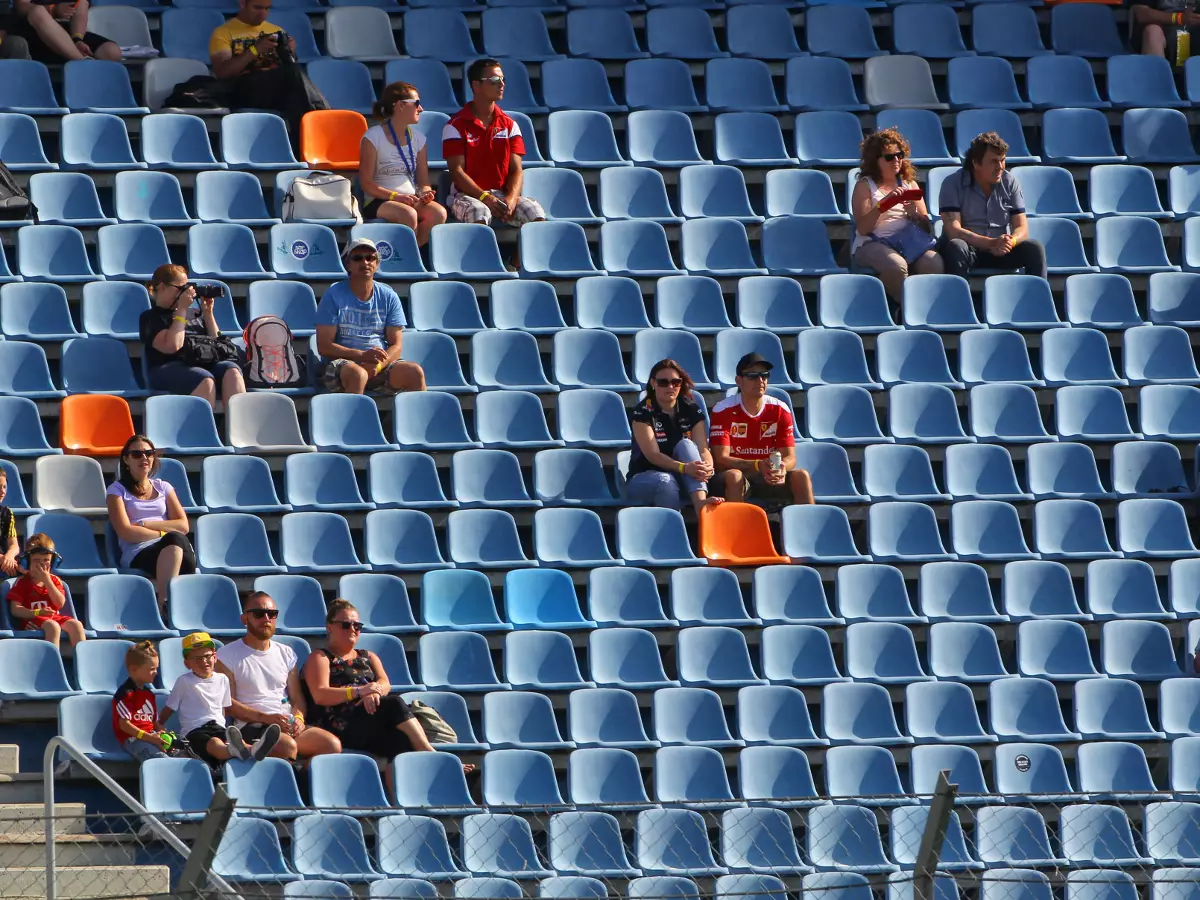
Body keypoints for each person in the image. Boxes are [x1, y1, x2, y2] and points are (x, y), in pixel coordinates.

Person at [303, 599, 474, 776]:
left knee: (402, 742)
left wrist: (373, 692)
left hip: (369, 720)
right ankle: (433, 756)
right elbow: (320, 694)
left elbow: (385, 683)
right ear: (330, 627)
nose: (353, 629)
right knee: (393, 704)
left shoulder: (368, 656)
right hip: (340, 726)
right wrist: (360, 691)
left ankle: (396, 801)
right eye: (346, 625)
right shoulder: (320, 657)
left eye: (357, 625)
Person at [215, 591, 342, 761]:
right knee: (287, 746)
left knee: (331, 745)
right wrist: (266, 718)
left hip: (285, 723)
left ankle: (303, 783)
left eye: (272, 614)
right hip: (252, 724)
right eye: (259, 614)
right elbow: (228, 704)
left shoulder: (286, 653)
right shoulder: (226, 655)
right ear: (244, 619)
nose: (266, 618)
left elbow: (297, 699)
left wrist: (298, 718)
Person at [443, 58, 545, 260]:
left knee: (536, 213)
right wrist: (486, 197)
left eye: (503, 79)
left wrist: (512, 199)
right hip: (466, 196)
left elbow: (517, 169)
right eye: (494, 79)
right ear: (476, 85)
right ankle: (480, 265)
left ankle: (515, 267)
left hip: (502, 195)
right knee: (479, 213)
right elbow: (457, 172)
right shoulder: (455, 125)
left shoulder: (510, 124)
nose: (502, 84)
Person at [315, 237, 427, 395]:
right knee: (358, 375)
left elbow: (397, 345)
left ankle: (409, 420)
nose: (365, 262)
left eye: (370, 258)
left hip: (379, 364)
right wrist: (361, 355)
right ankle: (354, 420)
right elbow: (324, 346)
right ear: (348, 264)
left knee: (414, 372)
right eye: (358, 258)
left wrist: (378, 366)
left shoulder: (389, 296)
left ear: (377, 264)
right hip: (344, 365)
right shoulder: (333, 294)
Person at [161, 631, 280, 769]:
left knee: (234, 739)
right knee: (214, 743)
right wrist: (159, 724)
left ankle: (253, 749)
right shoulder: (184, 681)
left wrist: (222, 724)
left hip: (217, 726)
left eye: (207, 656)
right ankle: (234, 750)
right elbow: (169, 708)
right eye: (196, 658)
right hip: (194, 731)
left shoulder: (222, 679)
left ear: (215, 657)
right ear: (187, 663)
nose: (204, 661)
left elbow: (222, 709)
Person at [208, 0, 324, 140]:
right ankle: (323, 115)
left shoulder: (276, 30)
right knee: (295, 84)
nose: (263, 14)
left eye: (267, 9)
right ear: (242, 4)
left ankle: (305, 143)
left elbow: (290, 67)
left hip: (277, 89)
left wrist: (290, 53)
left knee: (295, 95)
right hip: (243, 89)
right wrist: (254, 49)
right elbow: (223, 73)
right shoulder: (223, 33)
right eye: (257, 8)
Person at [938, 131, 1047, 281]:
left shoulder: (1010, 182)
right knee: (956, 247)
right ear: (976, 163)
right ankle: (959, 300)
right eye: (994, 161)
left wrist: (1010, 241)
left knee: (1034, 248)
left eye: (1002, 160)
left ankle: (1039, 300)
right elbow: (954, 231)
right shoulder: (952, 183)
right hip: (970, 250)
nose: (1000, 167)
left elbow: (1022, 228)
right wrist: (991, 243)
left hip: (1001, 250)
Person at [106, 435, 197, 612]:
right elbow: (126, 533)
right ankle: (165, 603)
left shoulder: (163, 487)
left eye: (148, 453)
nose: (144, 458)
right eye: (137, 454)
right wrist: (164, 533)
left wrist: (146, 524)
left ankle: (167, 604)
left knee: (177, 541)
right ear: (126, 459)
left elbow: (183, 525)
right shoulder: (116, 491)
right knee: (175, 539)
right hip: (138, 551)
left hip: (174, 547)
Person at [710, 353, 815, 507]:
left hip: (767, 477)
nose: (760, 381)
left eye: (764, 375)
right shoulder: (723, 410)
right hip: (737, 476)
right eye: (752, 376)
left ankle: (808, 528)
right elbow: (721, 460)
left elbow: (790, 457)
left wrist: (782, 468)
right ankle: (736, 530)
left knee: (801, 476)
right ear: (738, 381)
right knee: (734, 476)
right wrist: (758, 465)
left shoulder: (780, 409)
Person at [851, 128, 943, 302]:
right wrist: (885, 204)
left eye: (899, 155)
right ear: (875, 160)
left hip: (906, 240)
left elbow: (926, 227)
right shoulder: (864, 185)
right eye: (889, 157)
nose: (896, 160)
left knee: (934, 262)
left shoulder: (910, 184)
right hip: (872, 242)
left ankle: (924, 310)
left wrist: (914, 215)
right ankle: (906, 309)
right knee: (897, 266)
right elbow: (863, 228)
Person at [140, 264, 246, 412]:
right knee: (204, 379)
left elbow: (217, 342)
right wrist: (182, 310)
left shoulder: (195, 313)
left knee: (232, 371)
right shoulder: (150, 317)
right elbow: (172, 346)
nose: (186, 293)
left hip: (201, 362)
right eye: (181, 288)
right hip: (167, 367)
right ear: (162, 287)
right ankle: (202, 430)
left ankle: (237, 427)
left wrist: (208, 314)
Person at [626, 359, 724, 516]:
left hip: (685, 477)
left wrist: (707, 467)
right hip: (644, 477)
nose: (670, 387)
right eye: (663, 382)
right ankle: (674, 532)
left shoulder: (690, 408)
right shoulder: (643, 412)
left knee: (686, 444)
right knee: (666, 482)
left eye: (676, 382)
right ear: (653, 383)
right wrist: (684, 468)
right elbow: (653, 455)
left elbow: (703, 447)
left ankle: (700, 503)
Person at [359, 81, 447, 247]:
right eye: (417, 104)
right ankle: (409, 259)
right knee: (409, 214)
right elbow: (366, 183)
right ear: (400, 105)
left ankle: (412, 255)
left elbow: (423, 182)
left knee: (438, 213)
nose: (421, 109)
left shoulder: (419, 139)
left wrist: (425, 193)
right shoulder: (372, 137)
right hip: (379, 200)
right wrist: (395, 196)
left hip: (410, 198)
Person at [6, 533, 87, 646]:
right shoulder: (22, 582)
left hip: (54, 618)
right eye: (36, 560)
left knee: (76, 625)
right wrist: (37, 612)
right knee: (53, 626)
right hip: (33, 620)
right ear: (27, 562)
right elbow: (15, 610)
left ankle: (82, 661)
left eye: (46, 560)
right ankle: (52, 662)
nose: (42, 564)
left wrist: (47, 580)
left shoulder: (55, 581)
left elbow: (59, 603)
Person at [113, 641, 171, 763]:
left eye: (156, 668)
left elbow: (154, 722)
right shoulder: (125, 693)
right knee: (161, 760)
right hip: (134, 739)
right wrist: (148, 737)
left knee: (180, 754)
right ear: (134, 669)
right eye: (151, 669)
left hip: (150, 736)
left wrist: (161, 732)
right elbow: (124, 725)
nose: (156, 672)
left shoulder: (149, 693)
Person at [11, 0, 118, 62]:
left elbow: (81, 6)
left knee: (111, 51)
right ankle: (83, 63)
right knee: (38, 11)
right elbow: (21, 7)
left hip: (67, 32)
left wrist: (78, 39)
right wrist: (53, 10)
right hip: (34, 30)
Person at [1132, 0, 1199, 60]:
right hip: (1162, 33)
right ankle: (1156, 72)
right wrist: (1179, 18)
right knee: (1152, 31)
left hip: (1194, 32)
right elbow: (1141, 13)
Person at [0, 467, 19, 577]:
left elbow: (14, 545)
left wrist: (10, 556)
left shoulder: (7, 513)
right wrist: (3, 559)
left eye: (4, 487)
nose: (2, 491)